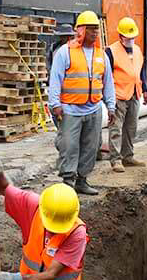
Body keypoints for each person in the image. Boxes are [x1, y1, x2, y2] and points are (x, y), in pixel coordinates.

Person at [48, 10, 115, 195]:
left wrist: (111, 106)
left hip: (93, 109)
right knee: (69, 146)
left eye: (96, 29)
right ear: (81, 30)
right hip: (70, 109)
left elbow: (108, 82)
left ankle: (82, 180)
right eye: (91, 29)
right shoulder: (65, 52)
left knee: (90, 146)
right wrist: (55, 104)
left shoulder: (101, 55)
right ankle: (68, 182)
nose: (95, 33)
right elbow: (55, 80)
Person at [105, 17, 147, 173]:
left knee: (131, 128)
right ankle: (116, 160)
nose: (131, 40)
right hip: (118, 95)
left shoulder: (137, 50)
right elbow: (107, 76)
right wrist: (109, 98)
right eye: (128, 37)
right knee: (116, 129)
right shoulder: (110, 51)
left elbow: (140, 71)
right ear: (120, 36)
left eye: (133, 37)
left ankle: (127, 156)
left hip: (134, 94)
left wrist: (145, 90)